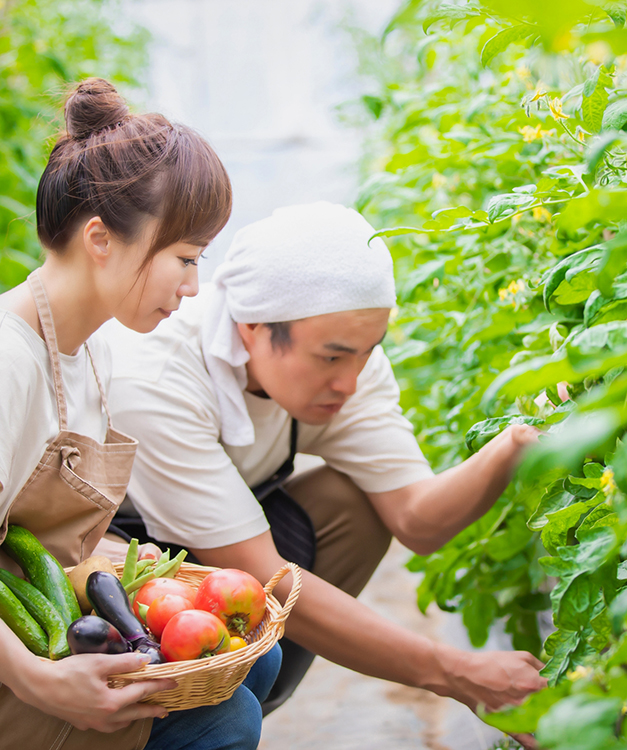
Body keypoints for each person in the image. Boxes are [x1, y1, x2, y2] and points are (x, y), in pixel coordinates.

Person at [106, 201, 547, 748]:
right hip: (118, 562)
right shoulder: (161, 375)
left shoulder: (347, 361)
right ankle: (197, 717)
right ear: (252, 328)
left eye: (367, 353)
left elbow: (418, 518)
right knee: (236, 682)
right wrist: (454, 672)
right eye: (332, 357)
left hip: (217, 553)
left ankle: (239, 699)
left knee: (355, 506)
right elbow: (262, 573)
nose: (351, 380)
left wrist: (516, 445)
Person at [0, 78, 280, 750]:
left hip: (39, 625)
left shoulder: (91, 346)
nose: (192, 286)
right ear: (100, 239)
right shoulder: (10, 360)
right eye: (184, 258)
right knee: (227, 719)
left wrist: (128, 561)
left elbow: (37, 538)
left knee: (260, 656)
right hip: (17, 658)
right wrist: (39, 680)